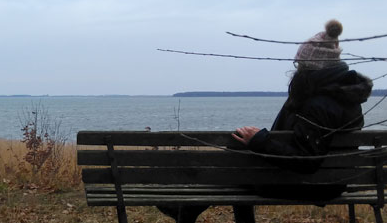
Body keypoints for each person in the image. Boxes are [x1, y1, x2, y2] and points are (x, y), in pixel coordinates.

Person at [158, 19, 374, 223]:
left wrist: (260, 140)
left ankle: (184, 212)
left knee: (238, 166)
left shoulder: (318, 104)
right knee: (240, 163)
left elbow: (306, 160)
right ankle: (185, 211)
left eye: (300, 64)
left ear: (312, 68)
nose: (296, 69)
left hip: (312, 184)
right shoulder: (343, 97)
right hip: (330, 181)